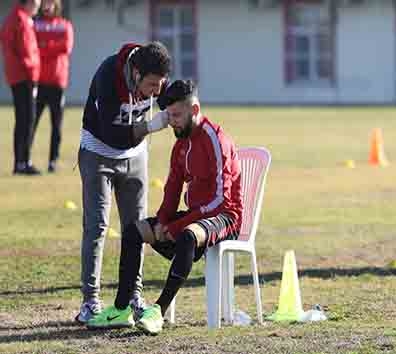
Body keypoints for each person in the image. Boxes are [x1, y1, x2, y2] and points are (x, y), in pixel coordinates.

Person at [86, 80, 243, 335]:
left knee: (188, 235)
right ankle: (121, 308)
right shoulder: (180, 143)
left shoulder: (215, 139)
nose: (172, 122)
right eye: (168, 115)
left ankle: (157, 311)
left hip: (225, 216)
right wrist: (162, 221)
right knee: (134, 231)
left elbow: (219, 200)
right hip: (196, 217)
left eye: (177, 115)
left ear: (194, 110)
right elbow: (172, 189)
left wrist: (177, 225)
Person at [76, 42, 172, 324]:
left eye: (160, 85)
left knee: (137, 227)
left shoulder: (156, 79)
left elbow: (174, 98)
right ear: (136, 72)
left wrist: (186, 104)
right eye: (152, 85)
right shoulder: (108, 74)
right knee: (97, 225)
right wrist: (150, 126)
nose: (156, 92)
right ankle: (90, 301)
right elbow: (112, 134)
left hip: (135, 157)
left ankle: (133, 296)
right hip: (99, 153)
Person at [0, 0, 42, 175]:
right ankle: (23, 162)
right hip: (25, 76)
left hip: (16, 75)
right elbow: (26, 51)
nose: (37, 9)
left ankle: (20, 162)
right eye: (37, 6)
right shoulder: (22, 20)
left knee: (22, 119)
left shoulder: (12, 18)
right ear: (30, 3)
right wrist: (33, 76)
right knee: (28, 119)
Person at [33, 0, 73, 173]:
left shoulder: (65, 26)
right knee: (31, 122)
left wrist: (45, 46)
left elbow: (66, 47)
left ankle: (52, 161)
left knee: (56, 124)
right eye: (44, 2)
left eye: (50, 2)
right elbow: (33, 48)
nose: (47, 6)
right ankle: (24, 158)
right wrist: (51, 47)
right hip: (39, 81)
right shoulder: (35, 25)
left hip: (58, 81)